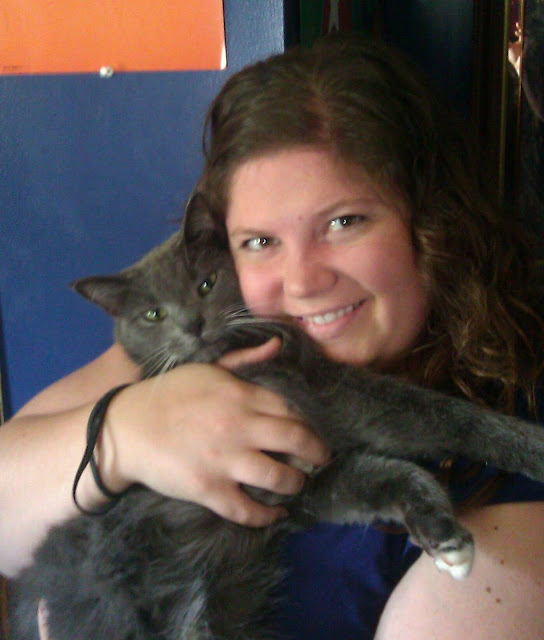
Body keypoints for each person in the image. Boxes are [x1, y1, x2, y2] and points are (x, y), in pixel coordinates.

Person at [2, 34, 544, 639]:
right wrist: (124, 432)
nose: (303, 282)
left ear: (429, 222)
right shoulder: (206, 347)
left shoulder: (503, 494)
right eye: (260, 241)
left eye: (344, 222)